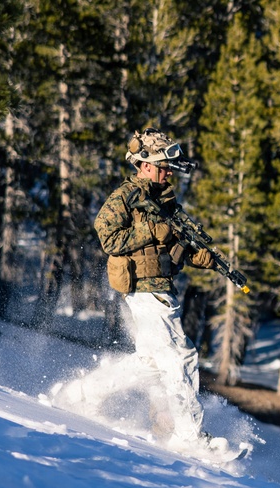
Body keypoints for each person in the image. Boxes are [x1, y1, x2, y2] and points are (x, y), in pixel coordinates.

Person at [55, 127, 224, 453]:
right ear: (145, 165)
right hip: (144, 290)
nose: (168, 173)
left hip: (161, 287)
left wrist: (197, 256)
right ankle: (190, 438)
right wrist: (149, 230)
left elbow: (171, 243)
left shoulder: (164, 200)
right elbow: (108, 238)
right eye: (163, 167)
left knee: (150, 363)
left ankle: (81, 395)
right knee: (180, 356)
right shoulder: (126, 196)